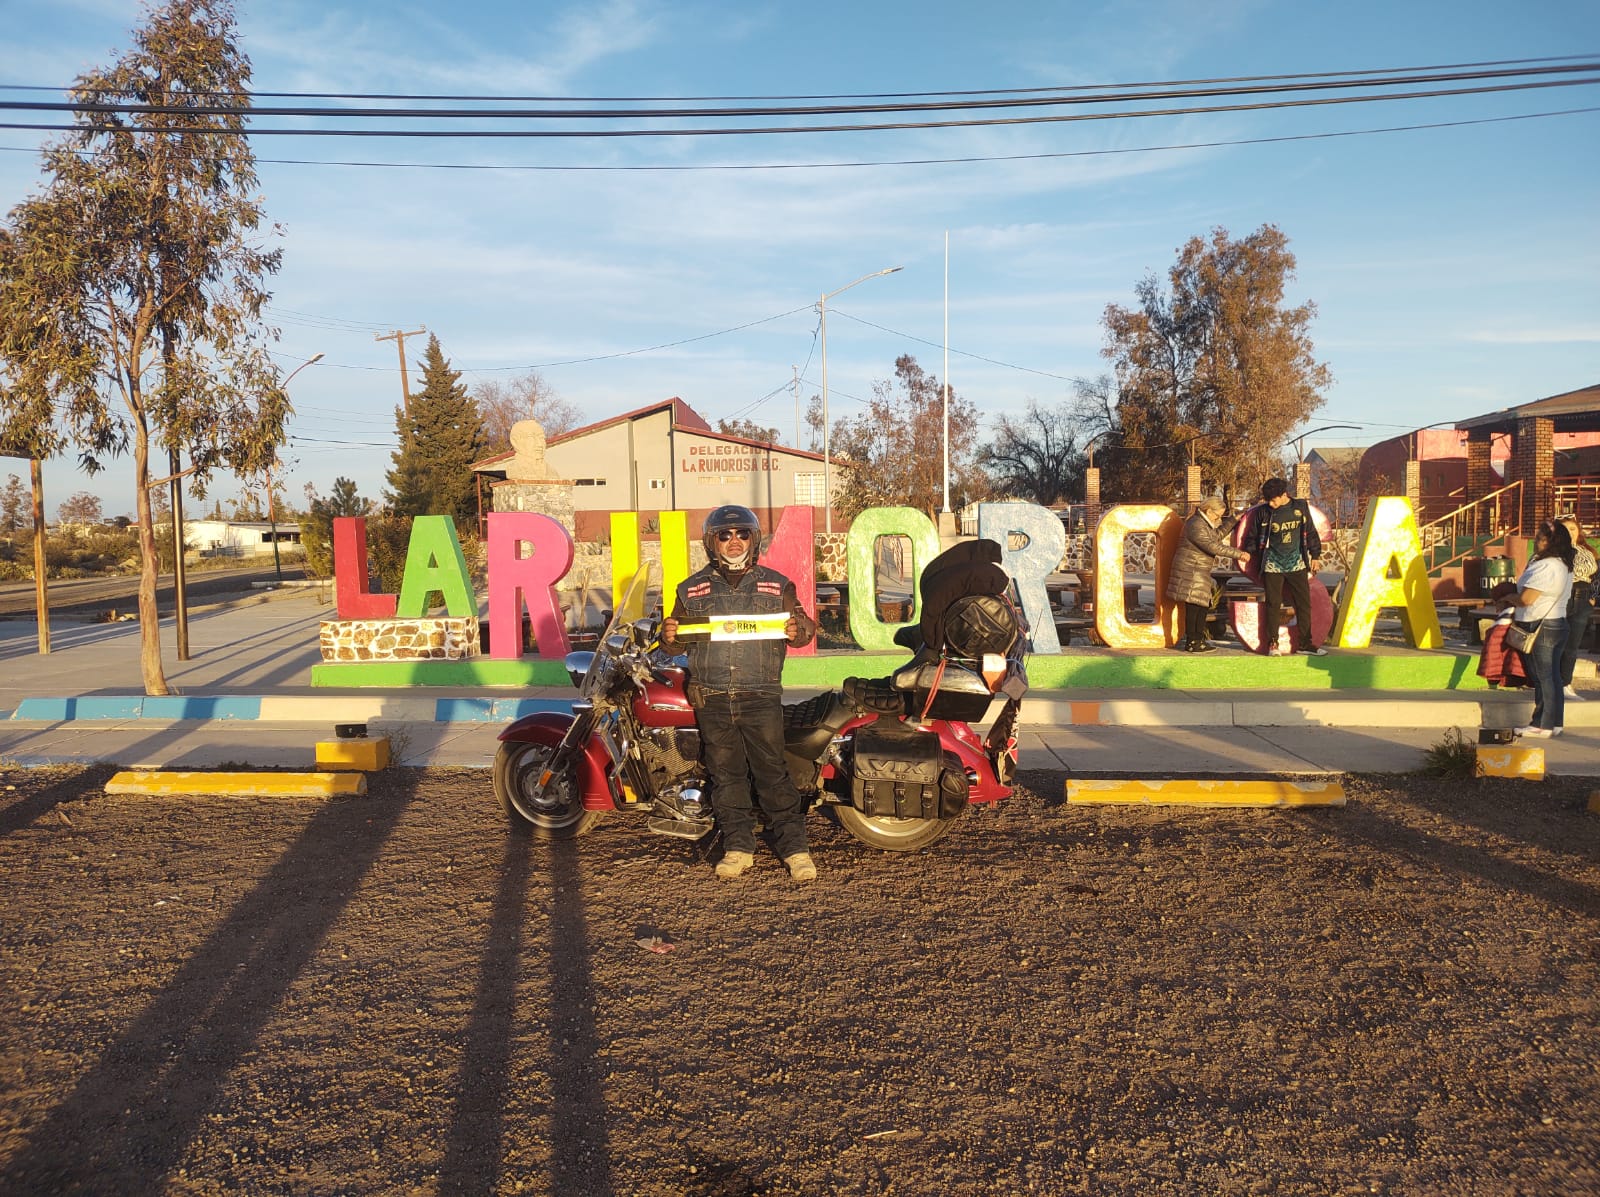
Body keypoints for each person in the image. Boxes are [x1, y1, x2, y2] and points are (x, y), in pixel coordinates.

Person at [658, 505, 819, 882]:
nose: (734, 541)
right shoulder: (690, 589)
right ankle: (738, 847)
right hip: (711, 697)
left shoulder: (777, 585)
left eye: (742, 534)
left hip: (760, 695)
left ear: (754, 538)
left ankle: (796, 850)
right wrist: (667, 638)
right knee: (725, 776)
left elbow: (806, 628)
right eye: (725, 535)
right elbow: (672, 642)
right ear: (711, 542)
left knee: (773, 775)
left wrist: (799, 630)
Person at [1510, 519, 1574, 739]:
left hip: (1541, 624)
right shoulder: (1562, 563)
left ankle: (1541, 724)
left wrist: (1508, 598)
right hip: (1556, 622)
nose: (1537, 542)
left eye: (1541, 538)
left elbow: (1527, 599)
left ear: (1553, 542)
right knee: (1553, 676)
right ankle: (1555, 722)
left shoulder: (1548, 565)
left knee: (1542, 676)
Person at [1167, 495, 1251, 652]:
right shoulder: (1196, 524)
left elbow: (1216, 536)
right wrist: (1238, 553)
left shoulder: (1203, 522)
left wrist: (1232, 520)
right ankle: (1192, 641)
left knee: (1201, 606)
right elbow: (1212, 546)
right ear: (1209, 510)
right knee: (1194, 607)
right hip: (1190, 570)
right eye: (1217, 515)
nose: (1218, 519)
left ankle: (1197, 639)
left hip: (1198, 570)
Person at [1253, 477, 1326, 656]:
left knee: (1303, 603)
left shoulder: (1300, 507)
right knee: (1273, 604)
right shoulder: (1263, 512)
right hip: (1272, 565)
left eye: (1274, 499)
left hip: (1297, 563)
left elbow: (1310, 532)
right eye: (1268, 500)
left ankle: (1305, 644)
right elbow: (1253, 537)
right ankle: (1272, 644)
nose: (1271, 503)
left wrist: (1315, 555)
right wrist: (1249, 553)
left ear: (1284, 495)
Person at [1557, 514, 1596, 702]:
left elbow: (1597, 576)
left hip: (1582, 600)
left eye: (1573, 529)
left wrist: (1594, 599)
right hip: (1560, 598)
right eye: (1565, 529)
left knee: (1572, 645)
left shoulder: (1588, 551)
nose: (1569, 533)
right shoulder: (1553, 551)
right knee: (1556, 642)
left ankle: (1565, 683)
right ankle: (1551, 683)